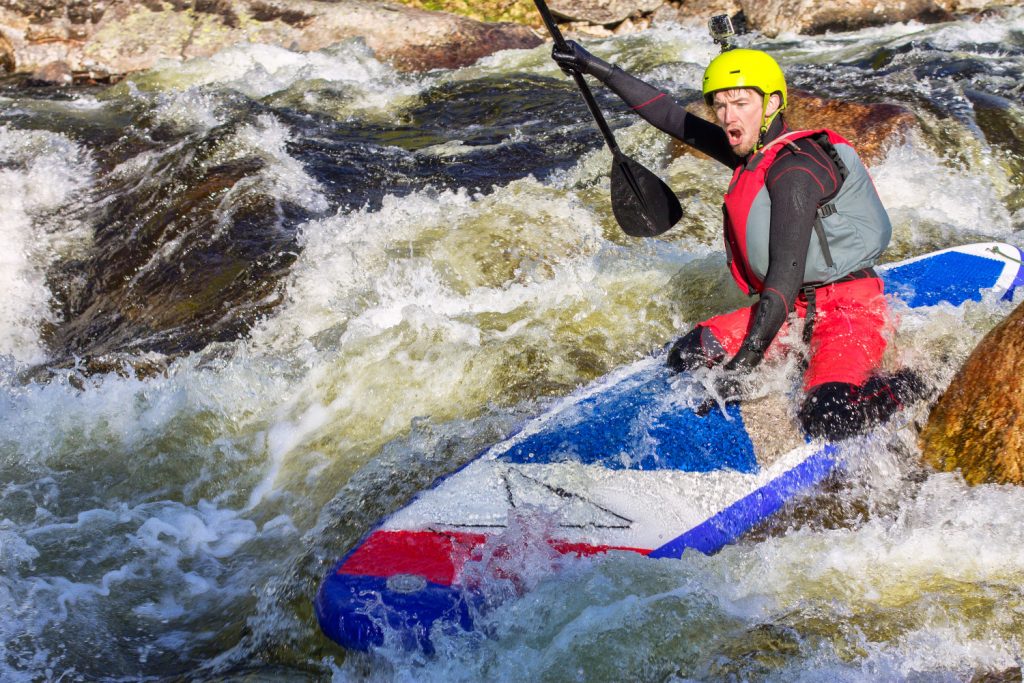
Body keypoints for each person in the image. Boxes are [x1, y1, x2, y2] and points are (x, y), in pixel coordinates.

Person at [551, 40, 921, 440]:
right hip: (793, 312)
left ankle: (912, 384)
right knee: (687, 354)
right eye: (720, 105)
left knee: (829, 418)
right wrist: (593, 66)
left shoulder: (796, 169)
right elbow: (673, 118)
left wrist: (744, 363)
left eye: (740, 103)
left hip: (849, 311)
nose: (727, 116)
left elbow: (784, 274)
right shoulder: (753, 152)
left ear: (773, 103)